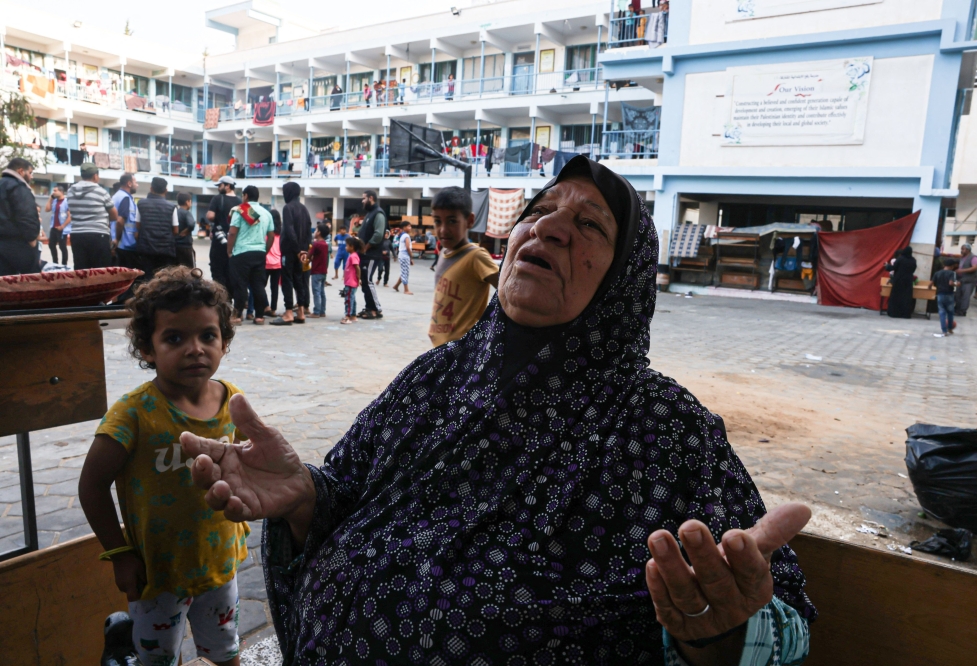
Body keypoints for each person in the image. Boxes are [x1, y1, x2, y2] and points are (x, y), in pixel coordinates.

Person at [181, 156, 814, 665]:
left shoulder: (664, 427)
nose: (549, 227)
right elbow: (345, 492)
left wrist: (715, 633)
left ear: (624, 277)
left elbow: (768, 613)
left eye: (590, 225)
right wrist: (303, 497)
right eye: (538, 212)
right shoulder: (435, 374)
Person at [78, 267, 247, 666]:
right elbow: (91, 486)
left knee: (226, 649)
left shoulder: (233, 402)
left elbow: (240, 468)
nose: (195, 348)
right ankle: (123, 642)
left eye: (208, 335)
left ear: (224, 341)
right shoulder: (133, 414)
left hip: (220, 563)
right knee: (157, 659)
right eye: (174, 338)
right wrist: (119, 553)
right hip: (156, 576)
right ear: (147, 349)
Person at [426, 188, 499, 345]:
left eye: (452, 221)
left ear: (470, 220)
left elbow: (507, 290)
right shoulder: (443, 253)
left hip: (462, 350)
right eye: (438, 221)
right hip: (440, 348)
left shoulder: (476, 256)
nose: (443, 229)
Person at [227, 185, 275, 326]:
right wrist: (264, 251)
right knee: (258, 285)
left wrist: (229, 250)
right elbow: (271, 236)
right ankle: (259, 317)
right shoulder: (267, 213)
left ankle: (237, 316)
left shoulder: (240, 211)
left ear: (246, 195)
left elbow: (232, 232)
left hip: (242, 252)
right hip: (259, 253)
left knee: (240, 285)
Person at [271, 182, 311, 326]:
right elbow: (308, 231)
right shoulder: (304, 209)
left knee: (287, 280)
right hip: (301, 252)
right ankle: (300, 311)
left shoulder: (288, 208)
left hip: (289, 250)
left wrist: (296, 249)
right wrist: (304, 250)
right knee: (298, 280)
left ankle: (289, 312)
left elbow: (289, 230)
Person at [66, 163, 119, 269]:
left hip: (77, 235)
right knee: (100, 271)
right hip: (98, 235)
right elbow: (114, 216)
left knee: (81, 271)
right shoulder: (101, 192)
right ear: (95, 176)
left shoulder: (70, 191)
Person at [0, 157, 42, 276]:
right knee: (32, 282)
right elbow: (26, 215)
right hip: (17, 243)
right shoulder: (18, 187)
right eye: (30, 173)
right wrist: (32, 238)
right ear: (20, 171)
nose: (31, 176)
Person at [135, 177, 179, 279]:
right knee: (163, 279)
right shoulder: (172, 207)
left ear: (151, 189)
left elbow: (137, 225)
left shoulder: (141, 204)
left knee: (146, 278)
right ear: (166, 190)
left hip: (146, 248)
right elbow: (176, 230)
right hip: (166, 250)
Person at [207, 176, 241, 296]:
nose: (218, 188)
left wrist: (219, 217)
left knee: (217, 270)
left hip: (219, 241)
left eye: (220, 185)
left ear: (227, 186)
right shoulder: (240, 201)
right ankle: (232, 297)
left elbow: (210, 216)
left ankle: (220, 297)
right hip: (235, 241)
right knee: (231, 270)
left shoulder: (217, 199)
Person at [356, 190, 386, 319]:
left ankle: (376, 309)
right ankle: (369, 307)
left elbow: (378, 234)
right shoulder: (370, 213)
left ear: (371, 198)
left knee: (367, 281)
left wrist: (366, 247)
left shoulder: (378, 213)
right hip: (365, 254)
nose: (362, 201)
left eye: (364, 198)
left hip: (371, 254)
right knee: (364, 281)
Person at [112, 173, 141, 271]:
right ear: (129, 183)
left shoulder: (117, 196)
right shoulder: (125, 198)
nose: (137, 185)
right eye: (135, 182)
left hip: (120, 244)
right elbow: (120, 221)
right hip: (125, 245)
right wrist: (117, 239)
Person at [885, 246, 917, 319]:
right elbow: (913, 269)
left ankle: (894, 313)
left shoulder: (900, 259)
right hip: (908, 281)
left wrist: (887, 266)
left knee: (896, 296)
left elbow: (894, 268)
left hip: (899, 280)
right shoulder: (913, 260)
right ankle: (905, 314)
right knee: (906, 298)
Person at [932, 258, 959, 337]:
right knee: (950, 312)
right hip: (949, 294)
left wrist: (930, 288)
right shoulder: (952, 273)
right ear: (952, 266)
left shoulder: (937, 273)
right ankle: (950, 328)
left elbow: (932, 283)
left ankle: (944, 331)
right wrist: (957, 284)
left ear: (944, 265)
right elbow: (951, 283)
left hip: (940, 294)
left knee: (942, 313)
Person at [307, 224, 330, 318]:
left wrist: (306, 258)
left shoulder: (316, 244)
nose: (314, 232)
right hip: (323, 271)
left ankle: (316, 311)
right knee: (322, 291)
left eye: (316, 230)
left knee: (316, 291)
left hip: (316, 271)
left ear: (319, 232)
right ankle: (322, 311)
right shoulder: (325, 244)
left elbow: (309, 256)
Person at [45, 184, 70, 265]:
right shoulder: (55, 201)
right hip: (54, 227)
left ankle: (64, 264)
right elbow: (47, 209)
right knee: (51, 245)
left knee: (62, 247)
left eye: (55, 191)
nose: (54, 192)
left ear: (61, 192)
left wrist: (62, 226)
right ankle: (55, 262)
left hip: (62, 229)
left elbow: (70, 216)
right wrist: (50, 199)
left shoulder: (66, 201)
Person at [341, 236, 361, 324]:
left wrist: (358, 279)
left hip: (351, 282)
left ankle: (347, 316)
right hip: (350, 281)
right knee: (352, 298)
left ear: (352, 246)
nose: (346, 247)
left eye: (347, 245)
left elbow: (357, 268)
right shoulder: (352, 256)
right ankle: (353, 315)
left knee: (348, 299)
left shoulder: (353, 256)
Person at [265, 212, 283, 317]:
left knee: (261, 286)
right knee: (274, 287)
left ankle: (265, 305)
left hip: (266, 263)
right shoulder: (281, 233)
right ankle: (273, 309)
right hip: (278, 263)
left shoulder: (267, 233)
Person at [955, 243, 977, 316]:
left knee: (965, 296)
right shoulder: (962, 257)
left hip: (969, 281)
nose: (961, 250)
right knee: (958, 295)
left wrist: (962, 271)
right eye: (961, 249)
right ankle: (957, 309)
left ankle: (962, 311)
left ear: (968, 250)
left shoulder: (973, 258)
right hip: (961, 279)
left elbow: (974, 267)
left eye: (963, 249)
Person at [175, 192, 197, 269]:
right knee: (189, 270)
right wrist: (187, 231)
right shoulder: (186, 213)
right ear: (187, 202)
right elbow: (191, 224)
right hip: (185, 246)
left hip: (174, 246)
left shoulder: (175, 213)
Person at [392, 220, 413, 295]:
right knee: (405, 272)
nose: (410, 228)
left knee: (404, 271)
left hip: (402, 254)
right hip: (405, 254)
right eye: (409, 226)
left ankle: (396, 285)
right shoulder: (406, 236)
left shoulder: (402, 235)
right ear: (404, 227)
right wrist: (411, 256)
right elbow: (407, 247)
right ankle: (406, 289)